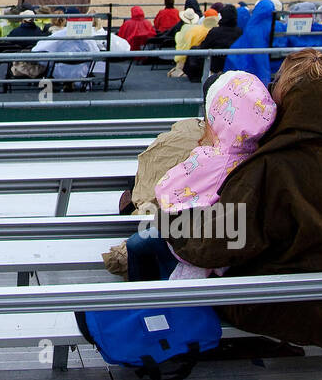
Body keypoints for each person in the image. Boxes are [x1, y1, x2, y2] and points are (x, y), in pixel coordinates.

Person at [164, 49, 322, 355]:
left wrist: (170, 222)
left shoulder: (272, 167)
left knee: (165, 251)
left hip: (274, 304)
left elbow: (210, 246)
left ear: (285, 98)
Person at [115, 71, 279, 280]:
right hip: (231, 245)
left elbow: (166, 193)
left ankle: (150, 302)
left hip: (199, 244)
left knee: (137, 243)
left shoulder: (212, 157)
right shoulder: (264, 155)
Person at [223, 0, 277, 84]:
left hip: (253, 69)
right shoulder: (277, 26)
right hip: (276, 67)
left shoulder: (253, 28)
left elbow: (259, 55)